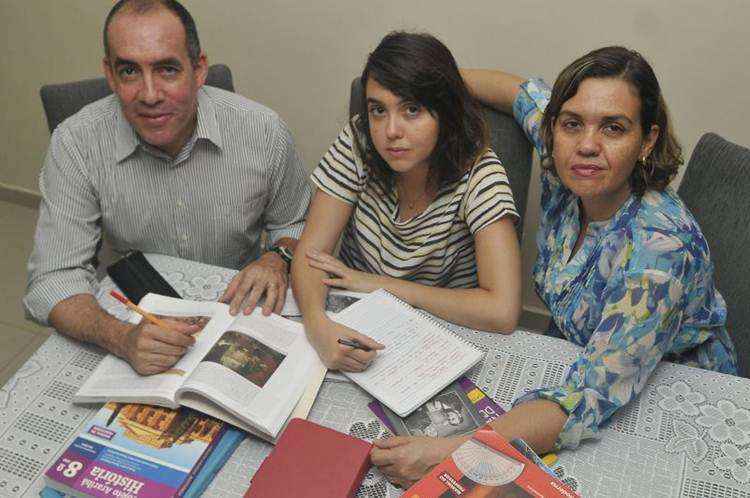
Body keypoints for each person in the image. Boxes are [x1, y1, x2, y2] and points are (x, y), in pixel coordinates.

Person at [370, 46, 738, 488]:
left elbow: (587, 397)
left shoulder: (659, 250)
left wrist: (450, 452)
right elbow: (516, 91)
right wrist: (427, 87)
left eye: (614, 128)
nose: (586, 144)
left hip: (670, 394)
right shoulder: (565, 155)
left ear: (647, 140)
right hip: (576, 354)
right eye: (572, 124)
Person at [24, 0, 311, 375]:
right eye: (129, 71)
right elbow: (52, 278)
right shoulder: (76, 143)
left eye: (167, 69)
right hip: (132, 315)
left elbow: (296, 221)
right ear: (110, 75)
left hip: (237, 311)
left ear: (199, 69)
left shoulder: (263, 131)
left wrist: (277, 258)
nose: (149, 94)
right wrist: (120, 337)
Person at [291, 31, 522, 372]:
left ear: (445, 114)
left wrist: (380, 286)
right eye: (378, 110)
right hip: (355, 321)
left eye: (411, 110)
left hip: (441, 336)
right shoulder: (359, 141)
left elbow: (501, 311)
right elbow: (311, 255)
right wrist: (317, 325)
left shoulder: (480, 173)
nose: (390, 131)